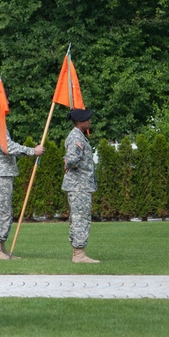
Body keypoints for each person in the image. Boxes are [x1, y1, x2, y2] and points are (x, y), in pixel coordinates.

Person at [0, 115, 44, 260]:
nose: (7, 104)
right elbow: (6, 146)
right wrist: (32, 151)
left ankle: (1, 249)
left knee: (4, 211)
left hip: (1, 173)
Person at [63, 108, 100, 263]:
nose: (89, 121)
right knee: (80, 218)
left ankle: (78, 252)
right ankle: (79, 254)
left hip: (81, 185)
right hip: (78, 186)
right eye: (87, 119)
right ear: (79, 122)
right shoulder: (76, 138)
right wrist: (68, 161)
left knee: (79, 218)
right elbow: (71, 159)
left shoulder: (79, 136)